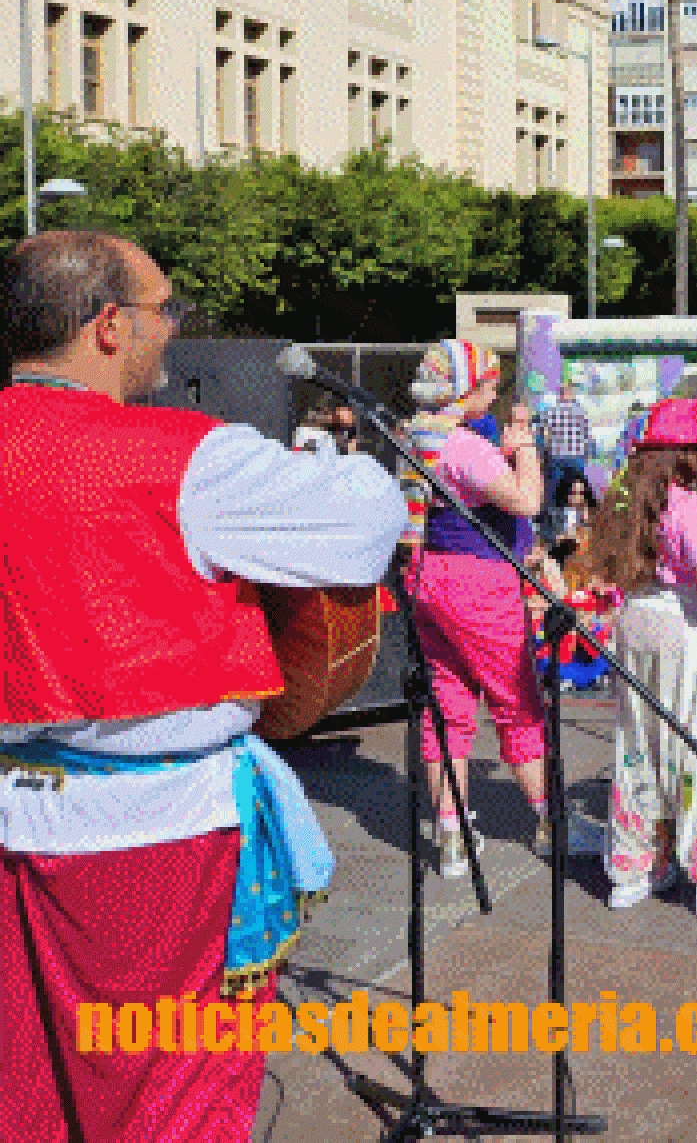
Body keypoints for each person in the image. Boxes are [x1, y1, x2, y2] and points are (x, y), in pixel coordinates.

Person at [0, 231, 406, 1143]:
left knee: (30, 1082)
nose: (171, 330)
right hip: (154, 839)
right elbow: (365, 523)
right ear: (109, 326)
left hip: (11, 817)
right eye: (162, 310)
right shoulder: (186, 457)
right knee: (172, 1088)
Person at [585, 399, 697, 915]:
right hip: (687, 624)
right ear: (683, 454)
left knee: (638, 746)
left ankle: (636, 870)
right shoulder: (691, 507)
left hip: (634, 620)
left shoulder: (621, 499)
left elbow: (600, 574)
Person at [404, 339, 549, 874]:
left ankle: (451, 832)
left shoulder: (415, 435)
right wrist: (526, 449)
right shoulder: (463, 445)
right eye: (487, 383)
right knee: (515, 697)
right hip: (478, 581)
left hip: (428, 573)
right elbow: (526, 500)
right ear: (464, 390)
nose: (493, 390)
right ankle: (550, 822)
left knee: (447, 703)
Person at [539, 376, 594, 515]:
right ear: (571, 395)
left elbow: (544, 433)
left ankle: (555, 519)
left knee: (554, 490)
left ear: (560, 395)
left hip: (557, 456)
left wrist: (547, 450)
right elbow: (587, 436)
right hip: (576, 457)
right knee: (575, 490)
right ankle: (575, 518)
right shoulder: (580, 412)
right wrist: (587, 455)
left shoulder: (551, 411)